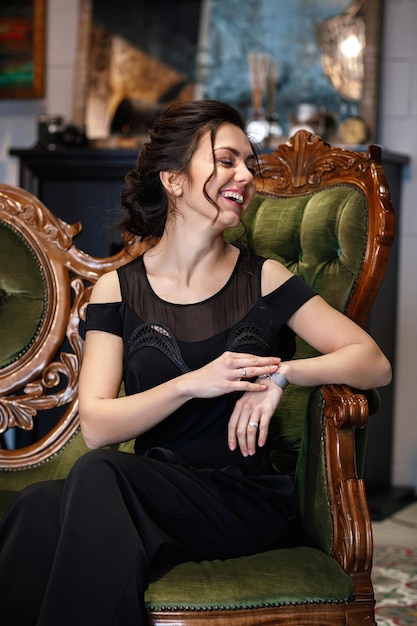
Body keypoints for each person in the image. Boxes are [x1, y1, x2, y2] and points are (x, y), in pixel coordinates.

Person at [0, 100, 391, 625]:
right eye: (226, 160)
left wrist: (283, 373)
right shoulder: (119, 288)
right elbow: (97, 425)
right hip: (155, 490)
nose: (246, 176)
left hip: (243, 499)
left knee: (97, 477)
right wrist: (191, 384)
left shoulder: (264, 278)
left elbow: (373, 362)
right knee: (37, 509)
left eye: (249, 164)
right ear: (174, 180)